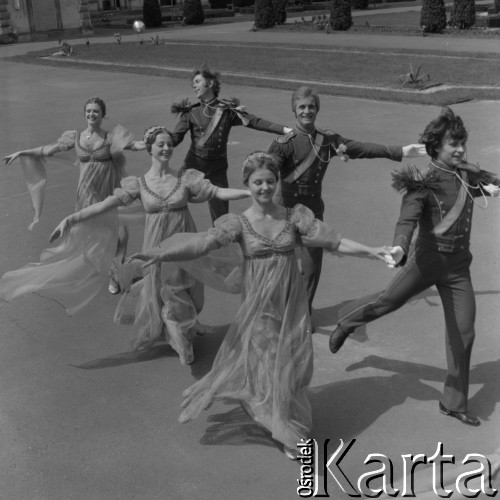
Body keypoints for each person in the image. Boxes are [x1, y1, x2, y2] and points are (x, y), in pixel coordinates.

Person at [129, 152, 389, 458]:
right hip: (260, 307)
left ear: (276, 182)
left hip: (291, 304)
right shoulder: (238, 223)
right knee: (273, 366)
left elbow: (334, 240)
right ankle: (286, 431)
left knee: (294, 366)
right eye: (257, 182)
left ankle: (277, 412)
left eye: (269, 181)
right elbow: (201, 242)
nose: (264, 187)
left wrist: (373, 251)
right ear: (248, 184)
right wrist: (160, 252)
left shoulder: (294, 217)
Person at [329, 107, 500, 426]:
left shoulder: (466, 173)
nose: (460, 148)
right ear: (436, 147)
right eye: (453, 143)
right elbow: (406, 221)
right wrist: (399, 246)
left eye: (462, 142)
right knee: (387, 301)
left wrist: (491, 185)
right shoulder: (422, 183)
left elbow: (488, 183)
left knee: (464, 332)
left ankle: (453, 401)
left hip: (458, 268)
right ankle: (348, 321)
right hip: (426, 262)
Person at [46, 126, 251, 365]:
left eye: (169, 145)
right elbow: (106, 205)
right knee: (167, 289)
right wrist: (71, 219)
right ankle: (179, 338)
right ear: (150, 148)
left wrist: (251, 192)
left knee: (191, 290)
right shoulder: (139, 184)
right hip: (158, 244)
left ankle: (188, 324)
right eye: (160, 144)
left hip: (185, 239)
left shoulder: (185, 178)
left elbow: (218, 191)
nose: (166, 148)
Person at [268, 86, 427, 316]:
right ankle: (274, 310)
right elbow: (269, 166)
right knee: (279, 264)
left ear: (317, 109)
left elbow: (360, 148)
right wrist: (266, 169)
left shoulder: (328, 140)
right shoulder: (284, 143)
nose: (307, 111)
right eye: (302, 107)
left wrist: (401, 151)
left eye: (311, 106)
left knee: (311, 268)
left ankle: (302, 313)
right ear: (294, 110)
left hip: (312, 212)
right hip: (284, 210)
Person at [2, 97, 145, 294]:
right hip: (86, 193)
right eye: (88, 111)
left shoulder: (111, 137)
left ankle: (115, 275)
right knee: (94, 235)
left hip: (111, 190)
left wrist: (153, 141)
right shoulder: (75, 137)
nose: (91, 114)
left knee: (121, 236)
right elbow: (47, 150)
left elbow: (135, 146)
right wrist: (21, 153)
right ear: (84, 113)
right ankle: (107, 268)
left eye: (96, 111)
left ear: (103, 114)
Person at [170, 65, 290, 222]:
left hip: (217, 169)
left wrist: (285, 129)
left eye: (197, 81)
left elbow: (254, 121)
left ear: (211, 83)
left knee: (221, 217)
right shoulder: (191, 112)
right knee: (173, 201)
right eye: (193, 83)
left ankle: (222, 244)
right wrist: (153, 139)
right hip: (193, 165)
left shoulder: (226, 111)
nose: (194, 85)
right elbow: (174, 138)